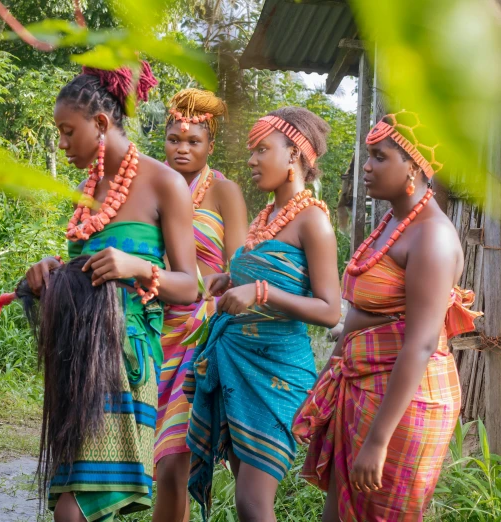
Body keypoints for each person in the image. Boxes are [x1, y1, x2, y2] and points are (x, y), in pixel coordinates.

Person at [25, 63, 198, 522]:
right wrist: (51, 272)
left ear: (101, 125)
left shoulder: (166, 183)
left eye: (68, 132)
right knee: (73, 505)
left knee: (74, 509)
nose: (62, 146)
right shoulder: (87, 191)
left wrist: (138, 267)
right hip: (79, 363)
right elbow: (87, 272)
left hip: (127, 363)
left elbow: (189, 285)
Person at [292, 111, 482, 522]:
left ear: (412, 166)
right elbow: (367, 315)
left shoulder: (432, 237)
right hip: (364, 388)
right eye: (368, 155)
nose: (366, 166)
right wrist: (329, 374)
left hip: (406, 406)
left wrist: (378, 441)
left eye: (379, 156)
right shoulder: (393, 222)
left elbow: (422, 342)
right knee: (339, 514)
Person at [185, 107, 342, 522]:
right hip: (236, 365)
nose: (251, 160)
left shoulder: (314, 221)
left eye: (261, 150)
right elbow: (263, 275)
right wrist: (228, 278)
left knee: (253, 504)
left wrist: (261, 291)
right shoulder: (266, 218)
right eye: (251, 151)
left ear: (294, 155)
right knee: (246, 503)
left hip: (276, 373)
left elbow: (330, 310)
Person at [153, 88, 247, 522]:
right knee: (157, 459)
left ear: (210, 145)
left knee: (175, 457)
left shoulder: (224, 192)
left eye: (193, 142)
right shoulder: (153, 185)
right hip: (153, 327)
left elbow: (243, 264)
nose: (183, 148)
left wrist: (215, 283)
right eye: (175, 139)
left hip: (199, 331)